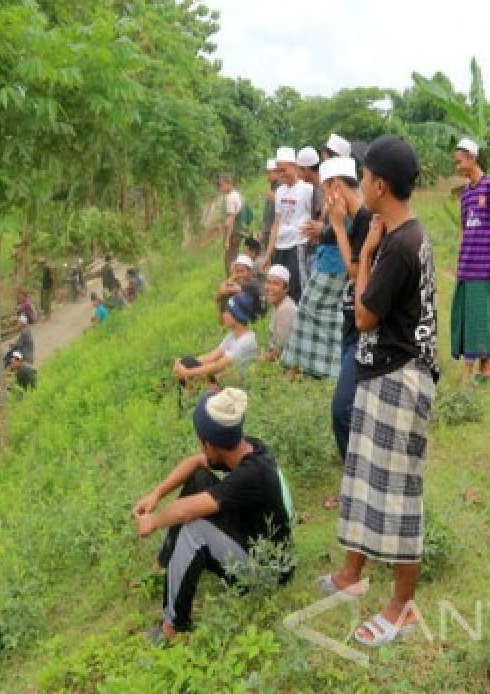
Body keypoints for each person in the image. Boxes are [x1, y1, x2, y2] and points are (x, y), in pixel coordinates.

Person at [319, 135, 439, 648]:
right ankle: (351, 574)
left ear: (380, 185)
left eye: (364, 178)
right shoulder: (402, 233)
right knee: (364, 477)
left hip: (400, 379)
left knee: (397, 493)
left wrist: (364, 250)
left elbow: (366, 316)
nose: (359, 185)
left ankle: (402, 606)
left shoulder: (396, 245)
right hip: (384, 373)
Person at [134, 388, 293, 642]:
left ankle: (172, 629)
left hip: (269, 572)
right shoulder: (245, 449)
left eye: (200, 441)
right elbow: (196, 463)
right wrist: (156, 494)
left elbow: (182, 510)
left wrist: (152, 521)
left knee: (194, 529)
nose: (200, 446)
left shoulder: (251, 475)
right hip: (250, 536)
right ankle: (163, 565)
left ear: (210, 443)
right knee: (198, 480)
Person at [322, 155, 371, 508]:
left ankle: (356, 486)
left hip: (365, 329)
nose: (325, 202)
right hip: (351, 323)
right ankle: (356, 482)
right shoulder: (357, 219)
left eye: (326, 192)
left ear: (336, 188)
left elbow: (355, 273)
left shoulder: (363, 220)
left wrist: (338, 227)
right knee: (351, 407)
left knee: (342, 409)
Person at [280, 154, 357, 379]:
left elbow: (341, 230)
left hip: (335, 264)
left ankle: (315, 367)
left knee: (309, 310)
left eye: (326, 188)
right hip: (330, 261)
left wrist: (322, 230)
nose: (323, 192)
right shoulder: (338, 204)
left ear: (337, 184)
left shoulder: (349, 206)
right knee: (327, 314)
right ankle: (323, 368)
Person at [451, 138, 490, 384]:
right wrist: (459, 261)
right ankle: (486, 367)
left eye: (460, 161)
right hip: (467, 264)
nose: (457, 166)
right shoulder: (466, 194)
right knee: (467, 315)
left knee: (478, 316)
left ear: (473, 158)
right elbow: (464, 230)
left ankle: (468, 372)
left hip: (483, 265)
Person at [172, 293, 258, 387]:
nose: (222, 315)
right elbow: (211, 357)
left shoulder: (246, 341)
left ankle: (192, 397)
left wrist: (187, 372)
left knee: (191, 374)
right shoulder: (233, 335)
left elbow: (219, 366)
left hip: (237, 386)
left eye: (227, 311)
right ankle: (190, 394)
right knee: (187, 362)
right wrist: (181, 365)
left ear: (237, 315)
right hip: (225, 378)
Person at [263, 147, 313, 303]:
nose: (281, 174)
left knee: (297, 287)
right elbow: (277, 222)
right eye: (278, 171)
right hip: (280, 247)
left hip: (297, 246)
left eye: (283, 169)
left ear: (294, 166)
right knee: (278, 287)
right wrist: (269, 252)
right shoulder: (279, 192)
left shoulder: (307, 189)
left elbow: (314, 219)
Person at [215, 254, 264, 321]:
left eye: (242, 271)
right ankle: (225, 320)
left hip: (255, 316)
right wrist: (232, 277)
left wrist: (229, 283)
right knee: (224, 297)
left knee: (232, 294)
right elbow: (217, 297)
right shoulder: (237, 282)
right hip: (243, 314)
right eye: (237, 271)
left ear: (250, 272)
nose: (240, 274)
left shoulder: (253, 284)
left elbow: (229, 289)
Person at [263, 265, 296, 363]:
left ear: (286, 288)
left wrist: (256, 364)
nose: (270, 288)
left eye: (276, 284)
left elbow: (279, 350)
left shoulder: (286, 309)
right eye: (268, 282)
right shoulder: (279, 305)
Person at [220, 173, 245, 274]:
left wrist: (227, 239)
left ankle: (232, 280)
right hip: (239, 231)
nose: (221, 188)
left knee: (229, 259)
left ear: (228, 184)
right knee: (235, 255)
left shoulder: (230, 197)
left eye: (221, 185)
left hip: (233, 232)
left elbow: (232, 219)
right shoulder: (237, 194)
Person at [261, 158, 280, 251]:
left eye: (269, 172)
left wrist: (275, 199)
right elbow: (267, 211)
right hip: (268, 230)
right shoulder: (272, 187)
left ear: (277, 172)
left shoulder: (281, 188)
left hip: (275, 231)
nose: (267, 175)